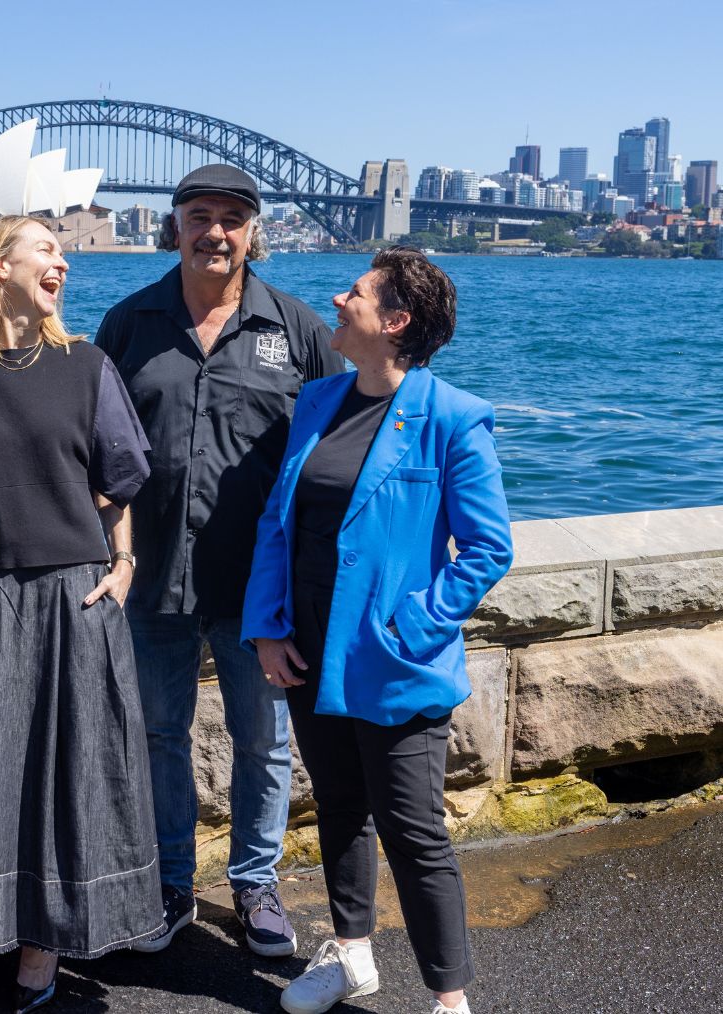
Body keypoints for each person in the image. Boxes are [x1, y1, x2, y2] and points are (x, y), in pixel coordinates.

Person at [0, 216, 160, 1013]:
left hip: (75, 594)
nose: (63, 262)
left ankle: (42, 943)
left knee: (67, 773)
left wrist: (124, 565)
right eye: (47, 249)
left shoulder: (86, 365)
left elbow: (118, 476)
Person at [244, 248, 512, 1014]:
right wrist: (268, 626)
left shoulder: (453, 417)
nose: (338, 296)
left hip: (394, 660)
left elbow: (489, 548)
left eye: (355, 292)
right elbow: (278, 524)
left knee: (415, 835)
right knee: (339, 808)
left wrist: (413, 622)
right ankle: (351, 956)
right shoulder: (318, 401)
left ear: (394, 321)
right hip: (310, 650)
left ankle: (450, 1001)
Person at [95, 164, 345, 958]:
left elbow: (335, 456)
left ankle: (255, 881)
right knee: (158, 734)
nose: (215, 231)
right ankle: (170, 881)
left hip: (258, 587)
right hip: (150, 572)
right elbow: (96, 452)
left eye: (232, 218)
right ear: (174, 226)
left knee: (264, 739)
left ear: (253, 231)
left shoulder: (299, 331)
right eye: (199, 214)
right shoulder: (128, 324)